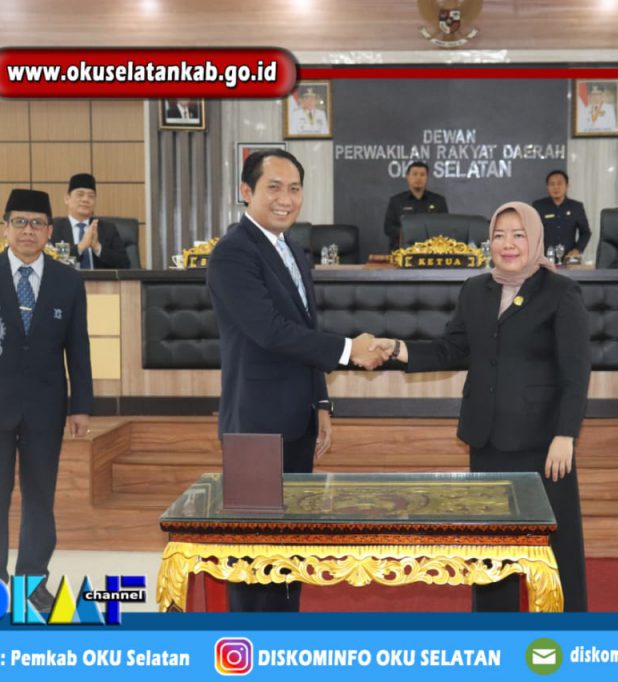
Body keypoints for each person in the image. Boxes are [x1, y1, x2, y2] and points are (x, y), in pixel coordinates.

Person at [369, 201, 591, 612]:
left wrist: (566, 435)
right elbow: (452, 349)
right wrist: (398, 349)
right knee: (491, 548)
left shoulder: (560, 292)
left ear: (535, 239)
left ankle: (565, 632)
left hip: (544, 443)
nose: (508, 244)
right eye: (499, 235)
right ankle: (493, 633)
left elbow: (576, 372)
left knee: (556, 547)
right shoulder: (475, 289)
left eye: (518, 235)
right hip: (486, 437)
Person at [206, 149, 388, 612]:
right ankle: (249, 647)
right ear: (246, 192)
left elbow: (305, 331)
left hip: (297, 421)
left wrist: (320, 404)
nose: (285, 199)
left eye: (294, 189)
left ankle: (284, 638)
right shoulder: (233, 253)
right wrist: (349, 350)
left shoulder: (293, 250)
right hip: (255, 427)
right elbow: (270, 331)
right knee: (254, 559)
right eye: (273, 187)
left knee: (289, 552)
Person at [0, 188, 93, 613]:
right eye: (19, 222)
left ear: (49, 231)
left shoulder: (68, 280)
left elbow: (78, 348)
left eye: (37, 223)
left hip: (46, 408)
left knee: (39, 497)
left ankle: (32, 581)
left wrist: (81, 405)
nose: (28, 230)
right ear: (5, 227)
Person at [50, 173, 131, 270]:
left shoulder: (107, 229)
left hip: (100, 280)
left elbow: (125, 264)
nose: (85, 199)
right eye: (80, 194)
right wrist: (80, 247)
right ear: (67, 199)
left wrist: (98, 248)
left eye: (91, 196)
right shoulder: (53, 228)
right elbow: (48, 262)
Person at [383, 161, 449, 251]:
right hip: (402, 251)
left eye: (422, 175)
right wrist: (411, 234)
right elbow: (388, 228)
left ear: (427, 178)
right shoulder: (396, 201)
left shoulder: (438, 201)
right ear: (407, 177)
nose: (418, 178)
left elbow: (444, 227)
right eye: (415, 174)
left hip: (431, 251)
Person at [531, 170, 591, 258]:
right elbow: (531, 232)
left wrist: (577, 249)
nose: (556, 187)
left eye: (559, 184)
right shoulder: (538, 206)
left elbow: (585, 232)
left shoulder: (576, 207)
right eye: (552, 184)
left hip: (568, 257)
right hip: (543, 257)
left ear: (567, 186)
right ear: (547, 187)